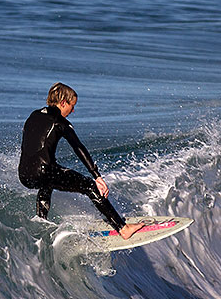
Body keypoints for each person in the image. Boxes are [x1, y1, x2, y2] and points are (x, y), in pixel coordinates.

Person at [18, 83, 141, 240]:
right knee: (89, 186)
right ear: (63, 103)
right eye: (72, 105)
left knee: (47, 182)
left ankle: (41, 222)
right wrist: (97, 176)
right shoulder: (60, 121)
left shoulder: (33, 115)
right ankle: (123, 229)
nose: (73, 110)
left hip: (24, 174)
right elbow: (78, 148)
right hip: (43, 171)